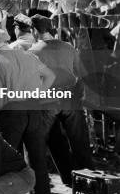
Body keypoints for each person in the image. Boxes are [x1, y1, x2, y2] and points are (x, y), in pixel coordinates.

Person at [0, 27, 55, 194]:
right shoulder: (29, 56)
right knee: (38, 158)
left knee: (9, 159)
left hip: (12, 112)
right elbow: (50, 76)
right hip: (35, 109)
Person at [29, 14, 94, 184]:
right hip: (70, 98)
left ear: (34, 31)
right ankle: (89, 183)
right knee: (79, 140)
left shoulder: (32, 51)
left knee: (43, 141)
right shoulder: (68, 47)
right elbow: (82, 75)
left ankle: (49, 183)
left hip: (47, 101)